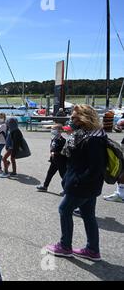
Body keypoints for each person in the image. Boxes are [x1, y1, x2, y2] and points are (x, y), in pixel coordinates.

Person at [46, 105, 107, 262]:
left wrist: (77, 181)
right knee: (88, 215)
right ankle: (92, 250)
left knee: (64, 210)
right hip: (88, 186)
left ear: (84, 118)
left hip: (82, 186)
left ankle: (65, 246)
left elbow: (96, 167)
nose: (70, 120)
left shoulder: (93, 139)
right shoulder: (86, 135)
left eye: (73, 118)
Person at [36, 124, 67, 194]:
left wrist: (55, 153)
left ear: (59, 131)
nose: (52, 131)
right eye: (52, 129)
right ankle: (45, 186)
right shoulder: (53, 139)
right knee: (49, 173)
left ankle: (67, 189)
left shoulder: (62, 140)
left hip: (61, 161)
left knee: (63, 175)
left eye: (54, 129)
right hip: (54, 160)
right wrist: (52, 153)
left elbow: (63, 151)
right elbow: (52, 148)